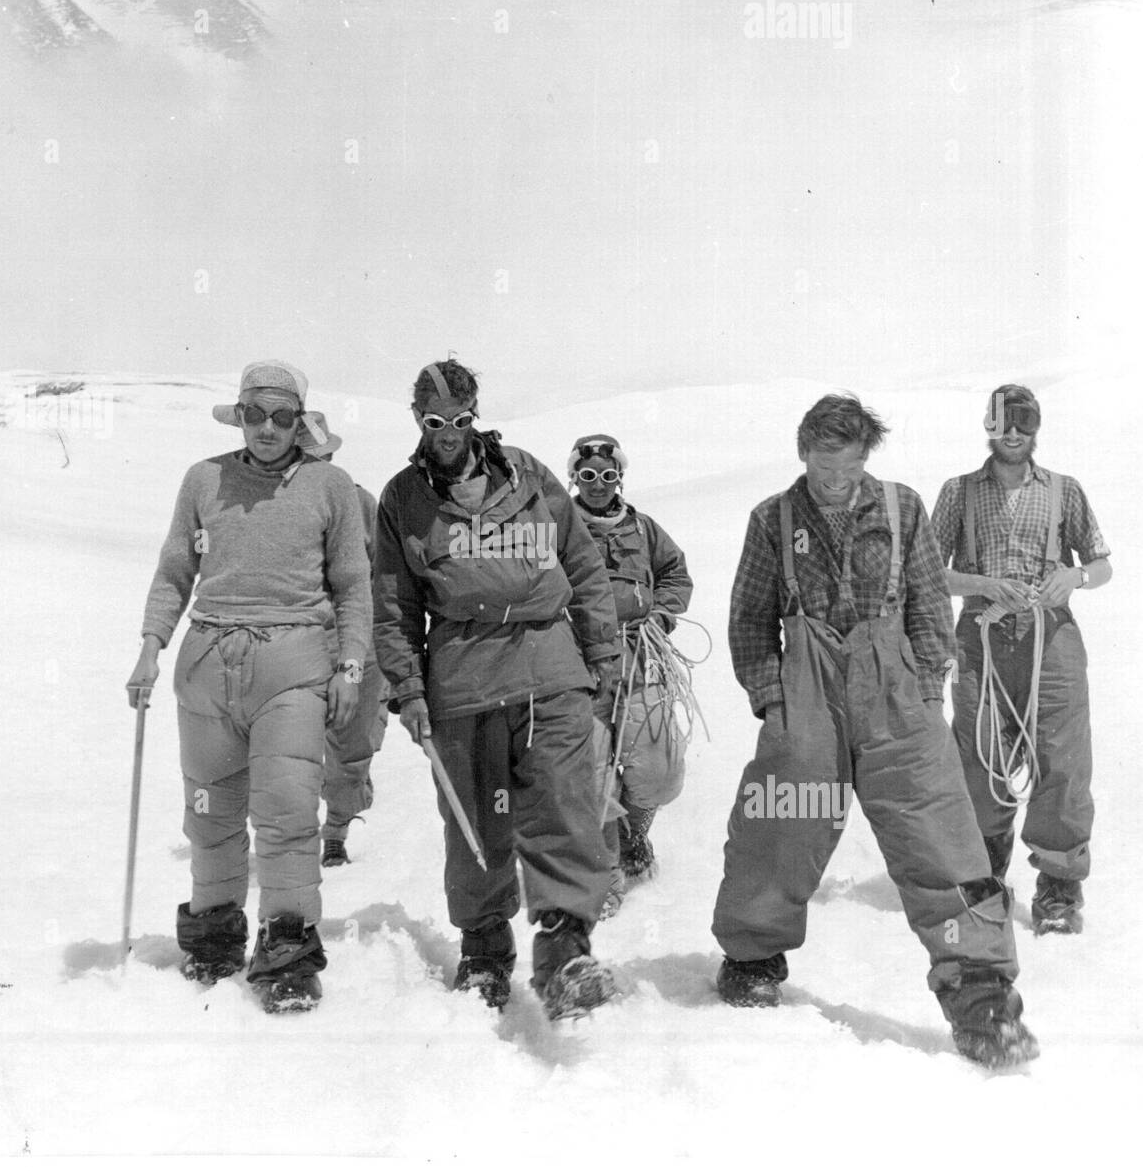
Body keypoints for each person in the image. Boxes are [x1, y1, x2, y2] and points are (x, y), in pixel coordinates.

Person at [711, 393, 1037, 1069]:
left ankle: (981, 995)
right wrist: (774, 702)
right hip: (808, 685)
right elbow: (748, 619)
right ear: (804, 452)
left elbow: (925, 601)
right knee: (785, 815)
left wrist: (925, 681)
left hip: (894, 686)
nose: (836, 480)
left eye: (850, 465)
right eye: (824, 465)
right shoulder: (772, 519)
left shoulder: (901, 506)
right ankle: (752, 955)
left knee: (938, 832)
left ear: (866, 457)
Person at [372, 357, 622, 1017]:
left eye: (459, 420)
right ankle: (484, 953)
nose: (449, 433)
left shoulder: (530, 475)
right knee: (477, 822)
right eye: (435, 422)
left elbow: (582, 563)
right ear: (418, 421)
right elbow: (393, 604)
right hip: (463, 677)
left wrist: (603, 650)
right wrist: (408, 687)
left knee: (564, 808)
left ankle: (566, 951)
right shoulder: (403, 499)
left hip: (549, 664)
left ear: (474, 417)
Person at [126, 363, 372, 1013]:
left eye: (282, 416)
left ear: (301, 421)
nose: (268, 428)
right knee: (209, 811)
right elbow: (175, 570)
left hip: (293, 661)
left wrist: (350, 666)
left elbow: (353, 586)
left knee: (288, 809)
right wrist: (149, 647)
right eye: (255, 414)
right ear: (238, 415)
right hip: (206, 658)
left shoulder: (331, 485)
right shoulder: (203, 479)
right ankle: (212, 936)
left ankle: (288, 948)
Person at [931, 384, 1111, 935]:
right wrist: (984, 584)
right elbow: (930, 574)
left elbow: (1102, 565)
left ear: (1037, 428)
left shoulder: (1065, 490)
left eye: (1023, 424)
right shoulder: (958, 492)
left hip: (1051, 640)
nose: (1013, 434)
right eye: (1003, 424)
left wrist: (1073, 576)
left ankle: (1058, 889)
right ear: (987, 428)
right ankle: (984, 879)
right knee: (979, 756)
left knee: (1063, 757)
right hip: (981, 640)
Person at [567, 434, 693, 917]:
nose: (598, 485)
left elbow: (676, 574)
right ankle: (607, 870)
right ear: (574, 477)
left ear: (621, 476)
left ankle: (634, 831)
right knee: (589, 772)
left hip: (642, 658)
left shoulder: (644, 528)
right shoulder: (559, 527)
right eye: (587, 475)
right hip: (579, 665)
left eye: (608, 475)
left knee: (659, 768)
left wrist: (662, 614)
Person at [295, 410, 391, 868]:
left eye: (323, 456)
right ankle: (290, 835)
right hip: (297, 644)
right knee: (291, 744)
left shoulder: (361, 503)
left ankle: (335, 830)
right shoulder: (276, 509)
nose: (318, 465)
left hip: (359, 644)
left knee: (352, 748)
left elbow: (387, 578)